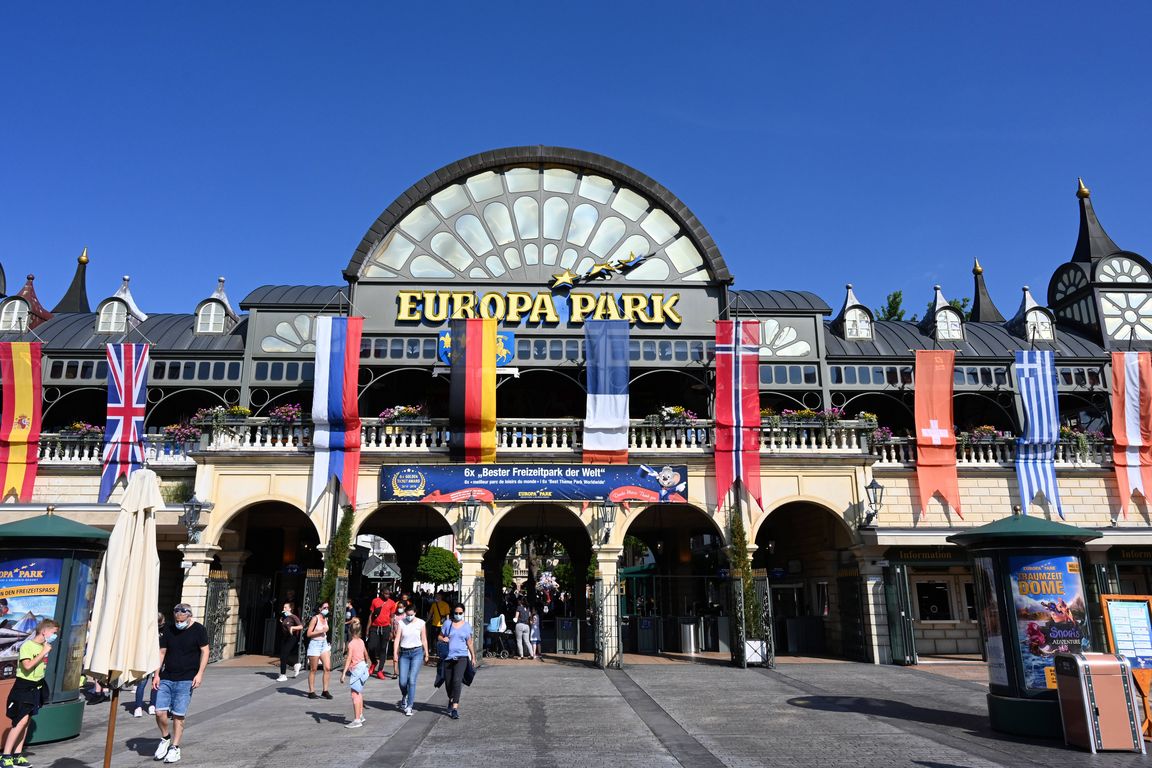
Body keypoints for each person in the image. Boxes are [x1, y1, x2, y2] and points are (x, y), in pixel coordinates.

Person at [152, 604, 209, 765]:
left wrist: (200, 673)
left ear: (189, 616)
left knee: (178, 715)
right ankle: (165, 738)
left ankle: (175, 747)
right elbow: (162, 652)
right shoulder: (169, 629)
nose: (179, 622)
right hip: (167, 676)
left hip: (187, 678)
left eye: (182, 620)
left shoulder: (199, 630)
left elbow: (205, 651)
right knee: (159, 712)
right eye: (177, 620)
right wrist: (156, 674)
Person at [2, 619, 58, 768]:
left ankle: (17, 755)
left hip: (36, 687)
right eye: (53, 632)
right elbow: (27, 666)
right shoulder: (28, 645)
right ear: (44, 631)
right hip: (23, 687)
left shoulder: (43, 646)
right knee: (20, 721)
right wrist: (44, 652)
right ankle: (5, 756)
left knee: (26, 722)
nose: (55, 636)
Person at [438, 603, 474, 720]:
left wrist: (473, 656)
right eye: (456, 613)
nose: (458, 615)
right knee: (448, 683)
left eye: (460, 613)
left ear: (463, 613)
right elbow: (439, 636)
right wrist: (443, 638)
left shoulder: (467, 626)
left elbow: (469, 642)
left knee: (457, 681)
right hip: (448, 657)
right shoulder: (447, 623)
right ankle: (451, 698)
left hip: (461, 657)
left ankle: (454, 708)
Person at [392, 602, 428, 716]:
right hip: (404, 653)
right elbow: (397, 638)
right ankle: (405, 695)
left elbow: (424, 639)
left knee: (412, 680)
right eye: (407, 614)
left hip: (417, 652)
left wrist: (426, 653)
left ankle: (409, 706)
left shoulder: (421, 623)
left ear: (415, 613)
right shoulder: (401, 623)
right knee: (402, 681)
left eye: (411, 614)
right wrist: (395, 653)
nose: (409, 617)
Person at [133, 612, 165, 716]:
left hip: (152, 659)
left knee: (149, 683)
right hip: (151, 659)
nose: (163, 624)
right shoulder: (159, 631)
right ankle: (145, 706)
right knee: (149, 683)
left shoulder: (147, 630)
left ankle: (146, 706)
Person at [340, 618, 369, 728]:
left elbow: (348, 659)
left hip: (357, 669)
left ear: (350, 631)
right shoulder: (361, 641)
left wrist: (343, 673)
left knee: (354, 694)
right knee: (359, 692)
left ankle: (357, 720)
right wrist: (366, 664)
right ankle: (360, 715)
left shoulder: (351, 644)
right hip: (363, 668)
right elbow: (366, 655)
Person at [304, 601, 333, 700]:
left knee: (327, 668)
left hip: (323, 644)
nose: (326, 609)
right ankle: (311, 691)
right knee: (313, 669)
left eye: (327, 608)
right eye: (324, 608)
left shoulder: (326, 618)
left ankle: (325, 691)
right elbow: (308, 633)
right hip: (315, 644)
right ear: (320, 609)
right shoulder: (315, 618)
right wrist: (321, 631)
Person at [366, 590, 395, 679]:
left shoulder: (392, 603)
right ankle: (374, 662)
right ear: (382, 593)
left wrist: (392, 631)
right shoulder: (375, 601)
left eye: (389, 594)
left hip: (386, 628)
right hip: (375, 627)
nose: (388, 595)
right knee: (371, 647)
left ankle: (380, 670)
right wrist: (367, 628)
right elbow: (371, 615)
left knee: (383, 649)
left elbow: (392, 617)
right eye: (386, 594)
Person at [276, 602, 303, 682]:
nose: (284, 609)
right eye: (283, 607)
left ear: (290, 609)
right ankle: (295, 665)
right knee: (283, 656)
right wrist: (281, 621)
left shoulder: (293, 617)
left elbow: (301, 626)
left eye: (285, 607)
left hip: (292, 638)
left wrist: (292, 628)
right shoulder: (284, 617)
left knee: (284, 655)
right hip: (285, 637)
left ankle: (283, 675)